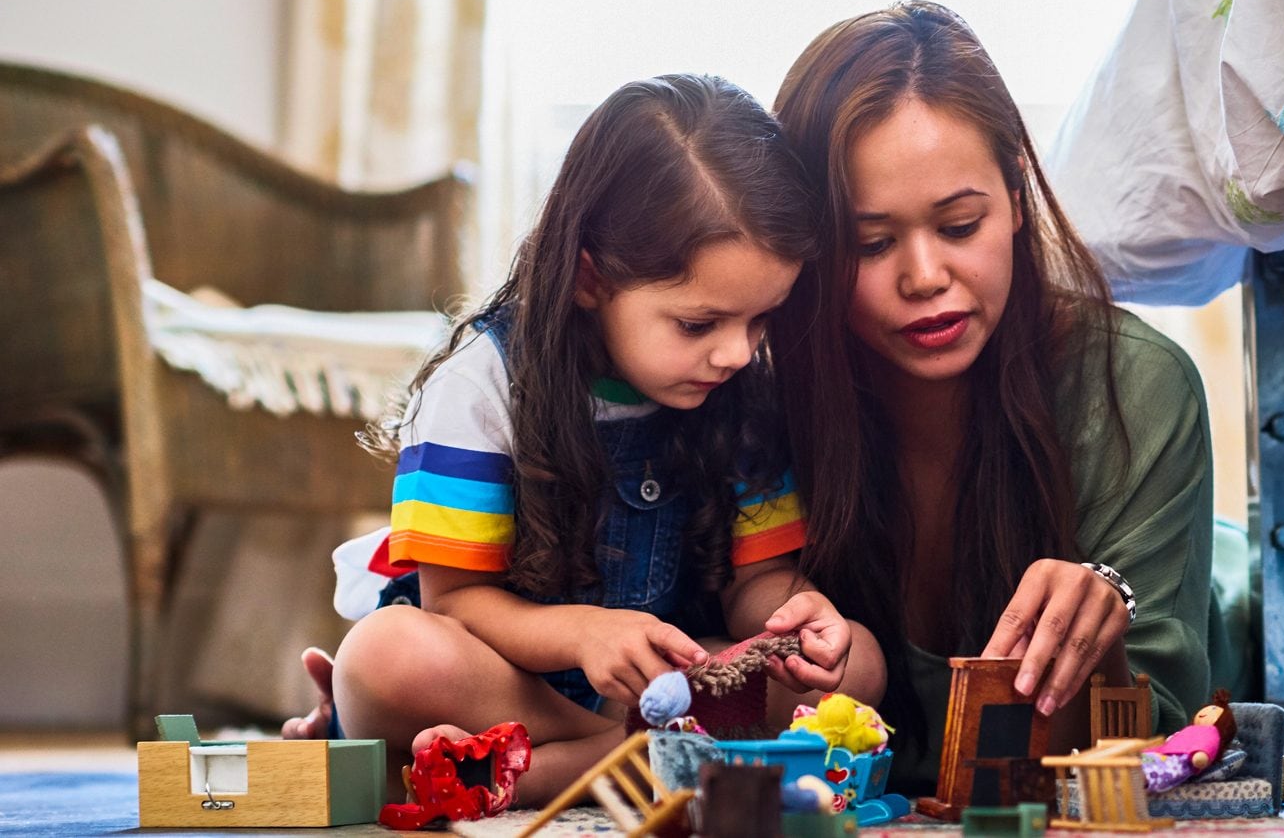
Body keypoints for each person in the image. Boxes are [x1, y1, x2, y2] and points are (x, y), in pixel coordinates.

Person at [286, 73, 883, 807]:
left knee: (859, 665)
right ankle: (639, 760)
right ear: (589, 278)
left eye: (759, 321)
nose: (734, 353)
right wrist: (583, 636)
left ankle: (518, 774)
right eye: (699, 324)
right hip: (501, 683)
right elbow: (454, 603)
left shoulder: (740, 393)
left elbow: (754, 586)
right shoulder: (481, 387)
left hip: (655, 693)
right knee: (385, 656)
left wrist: (798, 614)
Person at [770, 0, 1217, 786]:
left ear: (1015, 195)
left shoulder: (1136, 388)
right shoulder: (759, 407)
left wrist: (1101, 634)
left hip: (1255, 620)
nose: (924, 277)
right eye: (870, 244)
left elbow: (1168, 744)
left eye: (958, 226)